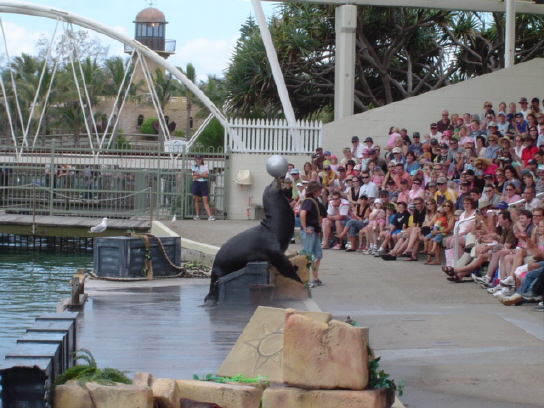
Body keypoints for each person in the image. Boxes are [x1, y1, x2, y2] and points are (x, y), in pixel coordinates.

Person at [299, 181, 326, 287]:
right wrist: (305, 228)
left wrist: (318, 229)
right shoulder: (309, 201)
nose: (320, 191)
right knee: (307, 255)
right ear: (314, 191)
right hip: (309, 229)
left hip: (314, 230)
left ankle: (315, 278)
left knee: (317, 255)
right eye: (319, 189)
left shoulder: (315, 201)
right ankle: (304, 279)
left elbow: (321, 215)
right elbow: (302, 213)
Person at [191, 154, 214, 221]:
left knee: (205, 200)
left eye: (200, 159)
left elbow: (206, 176)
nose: (199, 160)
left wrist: (198, 174)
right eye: (197, 159)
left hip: (203, 183)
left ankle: (209, 216)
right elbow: (194, 177)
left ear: (202, 159)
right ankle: (197, 215)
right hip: (196, 183)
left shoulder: (205, 166)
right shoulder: (193, 167)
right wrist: (202, 175)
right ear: (195, 159)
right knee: (196, 200)